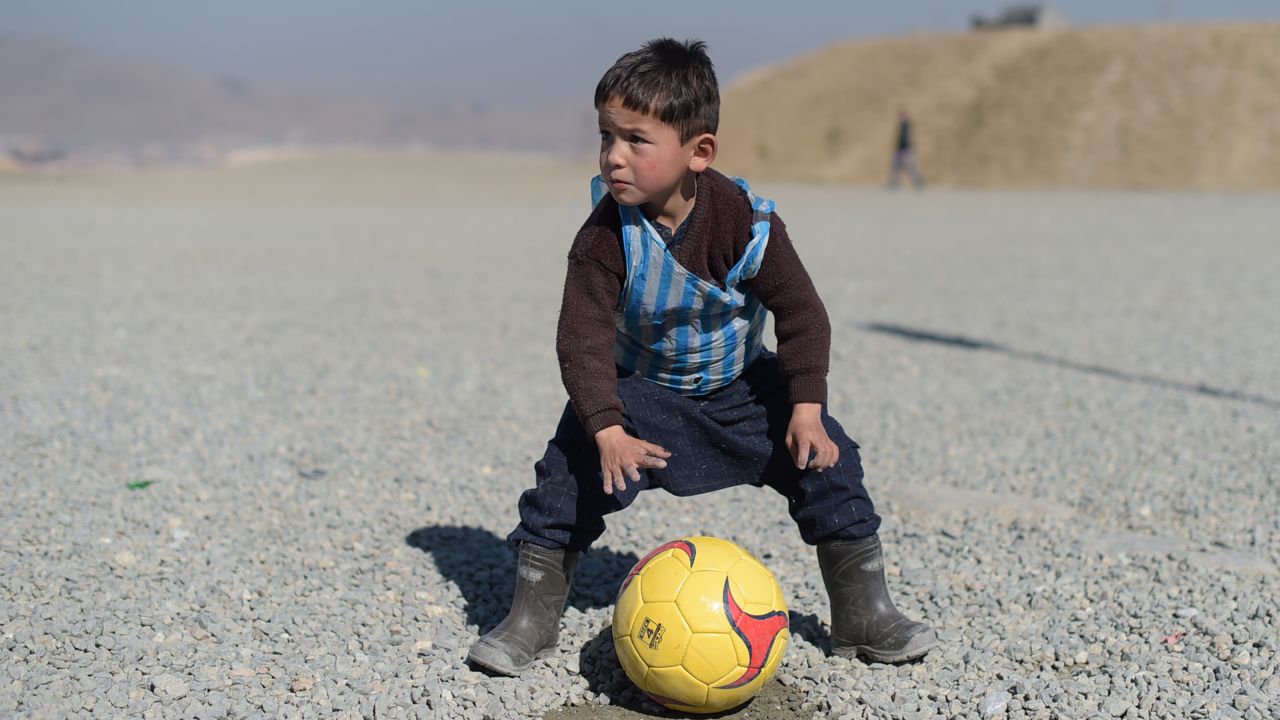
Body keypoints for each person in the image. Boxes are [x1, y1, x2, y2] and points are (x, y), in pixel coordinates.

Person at [466, 38, 936, 676]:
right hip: (645, 392)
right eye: (606, 136)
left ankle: (863, 612)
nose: (614, 157)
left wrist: (805, 408)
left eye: (636, 140)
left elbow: (803, 314)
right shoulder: (604, 237)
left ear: (699, 152)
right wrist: (605, 427)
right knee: (568, 473)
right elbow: (580, 338)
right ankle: (531, 620)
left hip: (742, 387)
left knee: (830, 462)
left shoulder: (744, 223)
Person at [889, 109, 925, 190]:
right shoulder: (904, 125)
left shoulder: (906, 125)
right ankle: (894, 183)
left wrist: (906, 150)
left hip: (905, 150)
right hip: (903, 150)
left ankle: (919, 181)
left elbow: (905, 139)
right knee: (897, 168)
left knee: (909, 168)